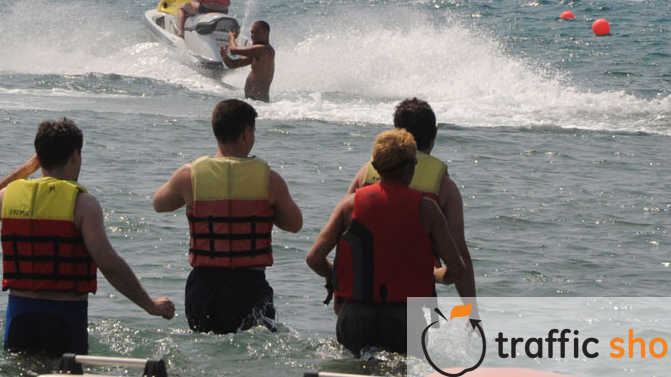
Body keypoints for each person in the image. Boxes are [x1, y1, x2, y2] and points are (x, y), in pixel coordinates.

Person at [0, 118, 175, 355]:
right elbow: (108, 263)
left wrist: (25, 170)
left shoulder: (9, 196)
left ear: (38, 158)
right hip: (65, 318)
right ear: (75, 156)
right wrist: (149, 304)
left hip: (20, 317)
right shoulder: (83, 204)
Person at [306, 129, 466, 355]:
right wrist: (431, 274)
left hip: (355, 316)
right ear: (412, 167)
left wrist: (337, 275)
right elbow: (457, 271)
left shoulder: (349, 205)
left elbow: (314, 258)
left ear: (376, 167)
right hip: (405, 319)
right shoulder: (427, 209)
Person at [152, 99, 302, 334]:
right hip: (248, 286)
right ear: (246, 133)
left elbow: (159, 204)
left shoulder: (188, 176)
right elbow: (295, 224)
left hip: (203, 287)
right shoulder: (269, 180)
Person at [346, 98, 477, 301]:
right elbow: (459, 254)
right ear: (434, 135)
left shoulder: (365, 173)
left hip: (362, 294)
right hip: (415, 294)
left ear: (396, 134)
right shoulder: (444, 187)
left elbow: (344, 233)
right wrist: (472, 311)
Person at [219, 20, 275, 102]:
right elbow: (233, 64)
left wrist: (232, 37)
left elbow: (233, 50)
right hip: (252, 100)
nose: (253, 36)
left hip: (259, 101)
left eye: (257, 33)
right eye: (252, 32)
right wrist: (224, 56)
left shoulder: (264, 49)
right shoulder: (257, 53)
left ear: (266, 33)